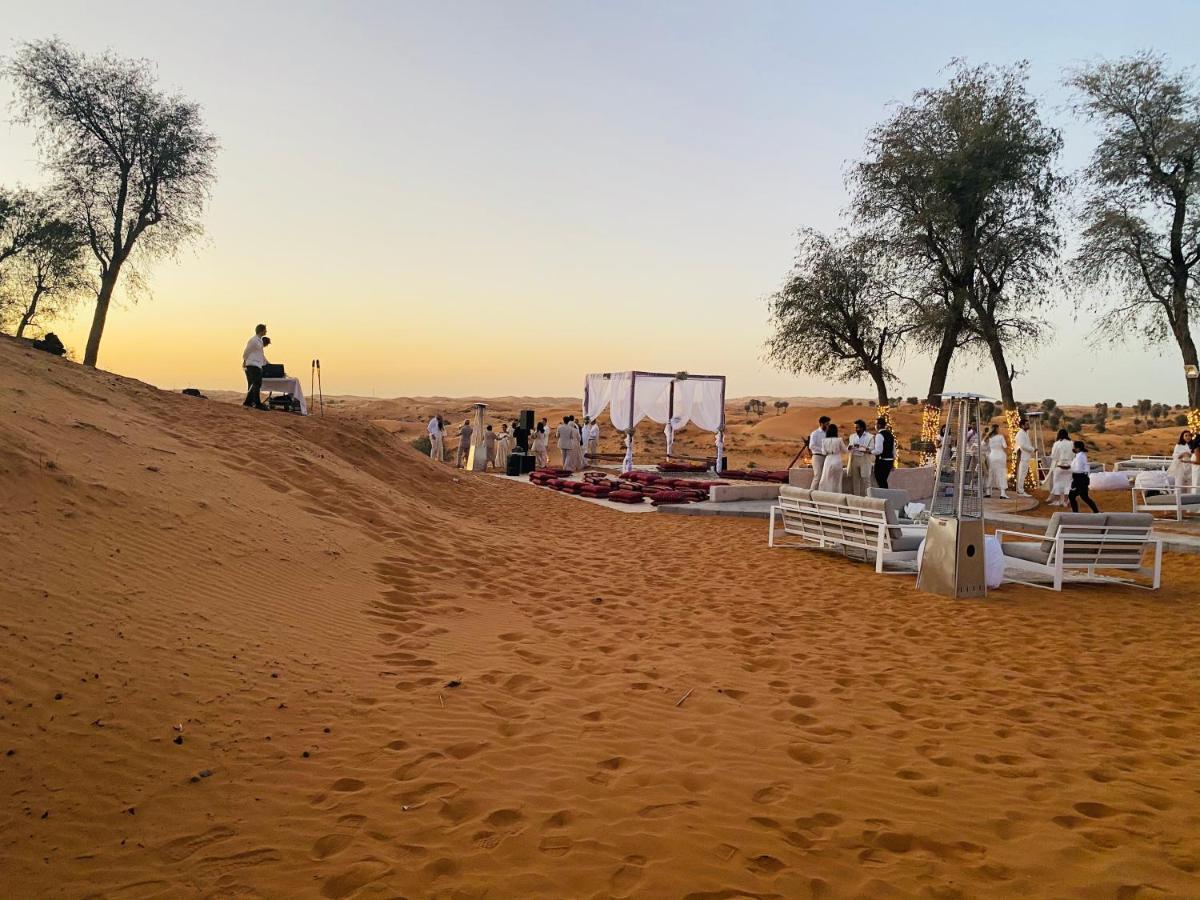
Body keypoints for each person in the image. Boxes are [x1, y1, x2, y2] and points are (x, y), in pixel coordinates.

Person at [241, 324, 269, 410]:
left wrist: (268, 364)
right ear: (261, 330)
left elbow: (260, 355)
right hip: (252, 365)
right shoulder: (253, 341)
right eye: (265, 330)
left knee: (254, 384)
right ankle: (257, 403)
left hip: (257, 365)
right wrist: (245, 361)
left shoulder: (259, 341)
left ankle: (248, 402)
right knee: (256, 384)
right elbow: (246, 352)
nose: (266, 331)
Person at [1044, 428, 1073, 507]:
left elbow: (1053, 456)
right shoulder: (1071, 443)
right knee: (1068, 484)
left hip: (1060, 466)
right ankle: (1065, 502)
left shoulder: (1057, 444)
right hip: (1070, 467)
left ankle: (1057, 501)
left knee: (1057, 484)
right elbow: (1074, 455)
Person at [1069, 440, 1100, 513]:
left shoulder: (1080, 457)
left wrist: (1069, 470)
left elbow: (1079, 469)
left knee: (1072, 496)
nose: (1073, 448)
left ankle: (1075, 513)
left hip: (1079, 479)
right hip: (1081, 478)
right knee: (1084, 497)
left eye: (1074, 447)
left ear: (1078, 448)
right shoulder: (1079, 456)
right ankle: (1096, 511)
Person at [847, 419, 874, 496]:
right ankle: (856, 498)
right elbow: (849, 447)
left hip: (864, 459)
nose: (856, 429)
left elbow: (872, 448)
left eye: (858, 428)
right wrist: (849, 447)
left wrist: (861, 448)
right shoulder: (852, 436)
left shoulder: (870, 437)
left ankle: (869, 498)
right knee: (855, 481)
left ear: (862, 428)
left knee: (866, 480)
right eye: (855, 427)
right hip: (854, 459)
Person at [819, 423, 847, 492]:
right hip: (837, 459)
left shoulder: (824, 441)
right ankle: (837, 495)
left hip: (828, 460)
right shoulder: (839, 440)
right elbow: (845, 451)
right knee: (837, 480)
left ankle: (826, 495)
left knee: (826, 479)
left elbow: (823, 452)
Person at [984, 424, 1009, 499]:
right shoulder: (1001, 437)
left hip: (992, 456)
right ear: (997, 429)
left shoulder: (988, 438)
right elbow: (1005, 446)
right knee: (1001, 474)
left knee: (990, 473)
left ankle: (988, 493)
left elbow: (983, 445)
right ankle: (1002, 493)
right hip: (1001, 456)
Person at [872, 416, 895, 489]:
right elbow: (893, 450)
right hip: (889, 461)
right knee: (883, 481)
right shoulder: (890, 435)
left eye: (875, 424)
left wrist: (870, 451)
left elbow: (879, 451)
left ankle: (884, 498)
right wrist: (893, 462)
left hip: (882, 462)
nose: (875, 426)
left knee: (881, 481)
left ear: (878, 425)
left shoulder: (879, 435)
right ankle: (885, 497)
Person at [807, 416, 831, 485]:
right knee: (818, 476)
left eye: (828, 424)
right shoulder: (815, 433)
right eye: (827, 424)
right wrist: (823, 450)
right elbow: (811, 446)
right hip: (817, 457)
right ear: (821, 423)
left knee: (825, 477)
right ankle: (811, 493)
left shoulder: (828, 434)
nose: (828, 426)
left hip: (827, 457)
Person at [1015, 419, 1036, 495]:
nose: (1028, 425)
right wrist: (1032, 449)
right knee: (1022, 474)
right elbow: (1023, 446)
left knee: (1023, 474)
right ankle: (1020, 491)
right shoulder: (1021, 434)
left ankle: (1020, 490)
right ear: (1022, 425)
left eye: (1028, 424)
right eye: (1027, 424)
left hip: (1026, 456)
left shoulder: (1025, 433)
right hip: (1023, 457)